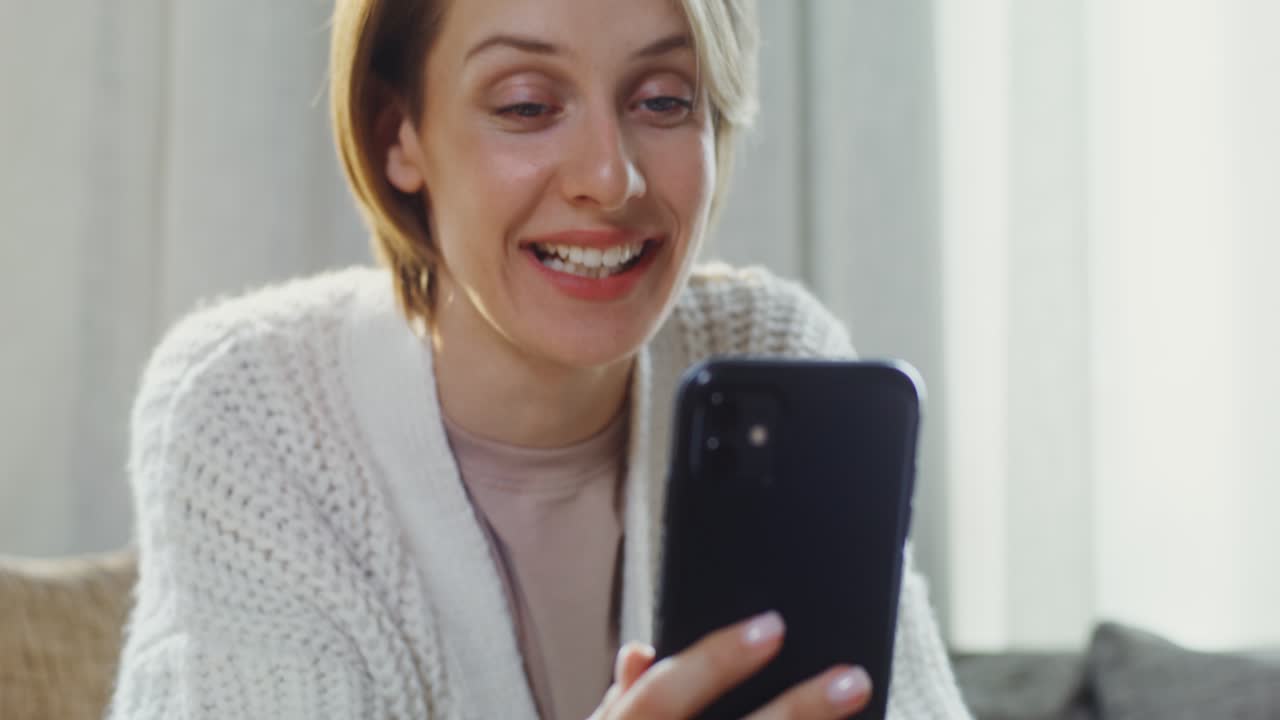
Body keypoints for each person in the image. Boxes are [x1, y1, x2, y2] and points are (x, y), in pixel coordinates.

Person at [108, 0, 971, 717]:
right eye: (526, 104)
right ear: (397, 133)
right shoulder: (256, 409)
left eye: (665, 100)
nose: (610, 176)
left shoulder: (777, 358)